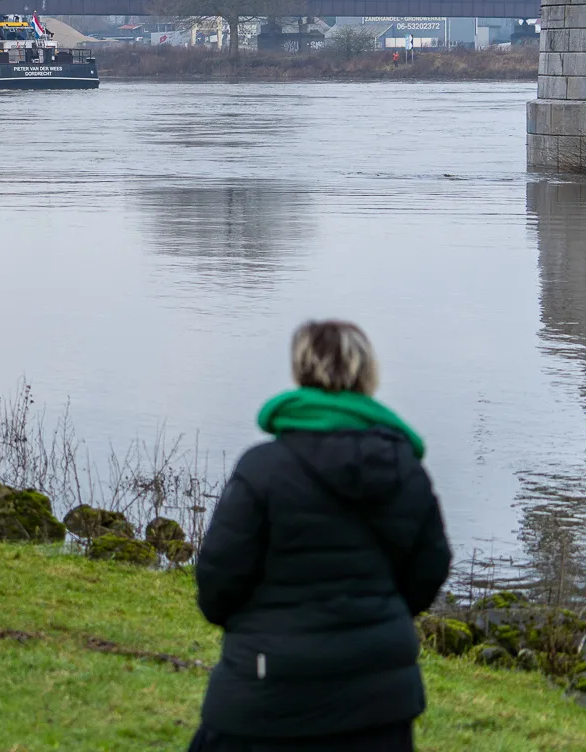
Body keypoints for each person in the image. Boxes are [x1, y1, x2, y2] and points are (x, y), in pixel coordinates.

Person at [190, 320, 450, 752]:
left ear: (300, 371)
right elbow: (428, 574)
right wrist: (379, 614)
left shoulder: (262, 467)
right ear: (367, 374)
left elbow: (217, 585)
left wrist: (259, 627)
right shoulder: (406, 469)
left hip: (266, 688)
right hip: (379, 696)